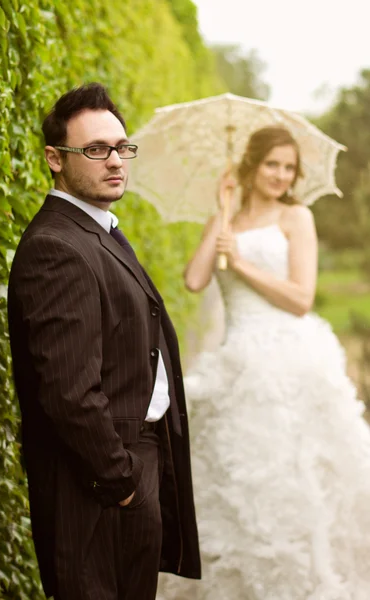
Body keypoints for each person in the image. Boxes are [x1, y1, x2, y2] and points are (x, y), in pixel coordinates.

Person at [157, 126, 370, 600]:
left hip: (288, 361)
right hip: (236, 363)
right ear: (251, 164)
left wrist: (244, 263)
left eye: (289, 167)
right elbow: (194, 279)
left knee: (289, 473)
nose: (280, 174)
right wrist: (223, 211)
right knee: (235, 477)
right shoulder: (226, 217)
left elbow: (301, 298)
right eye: (272, 164)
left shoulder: (296, 217)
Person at [7, 82, 200, 600]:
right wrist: (121, 481)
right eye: (95, 149)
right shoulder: (57, 247)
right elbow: (70, 392)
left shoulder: (98, 230)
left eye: (121, 147)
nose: (115, 161)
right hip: (96, 484)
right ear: (55, 158)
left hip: (127, 465)